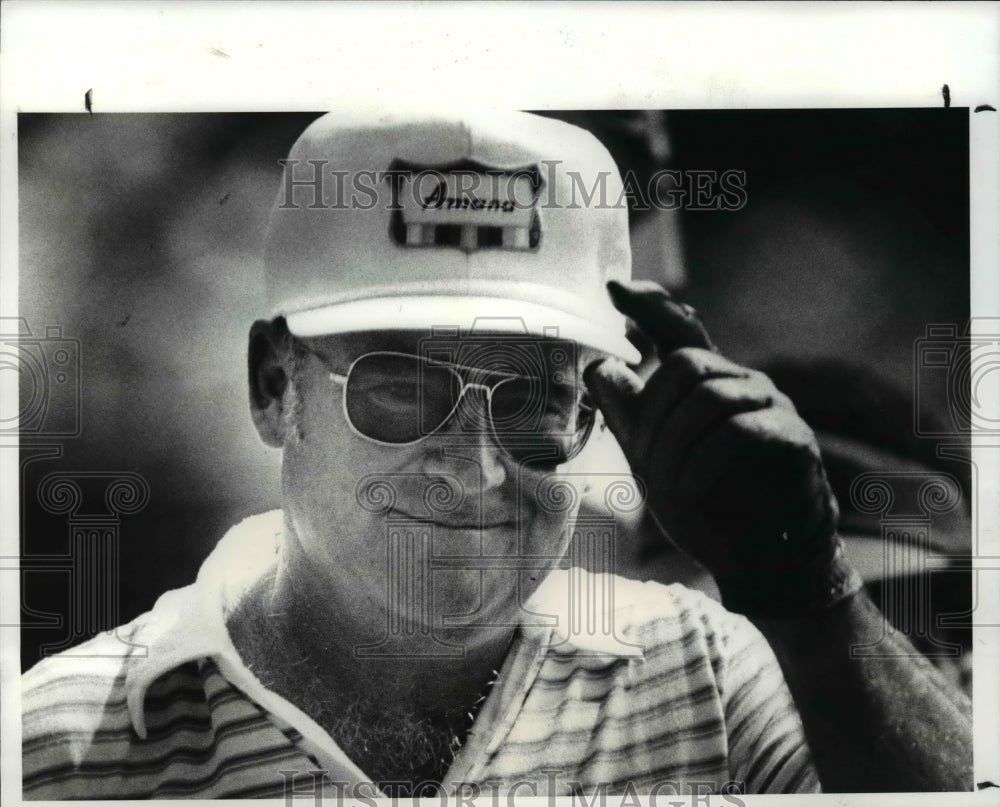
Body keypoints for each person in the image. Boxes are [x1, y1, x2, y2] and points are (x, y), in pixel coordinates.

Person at [21, 111, 971, 799]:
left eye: (532, 400)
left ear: (594, 417)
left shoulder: (710, 672)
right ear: (277, 384)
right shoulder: (60, 744)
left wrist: (805, 583)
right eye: (399, 387)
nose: (474, 468)